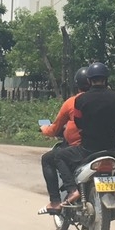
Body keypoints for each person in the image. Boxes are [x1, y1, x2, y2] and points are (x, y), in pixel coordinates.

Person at [49, 61, 115, 211]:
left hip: (88, 150)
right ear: (106, 79)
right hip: (112, 150)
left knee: (58, 156)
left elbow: (79, 124)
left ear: (89, 80)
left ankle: (72, 190)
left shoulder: (80, 100)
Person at [39, 67, 89, 213]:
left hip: (80, 148)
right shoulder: (106, 99)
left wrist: (44, 129)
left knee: (49, 158)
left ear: (77, 84)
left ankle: (56, 200)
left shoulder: (73, 102)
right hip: (105, 146)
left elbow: (55, 128)